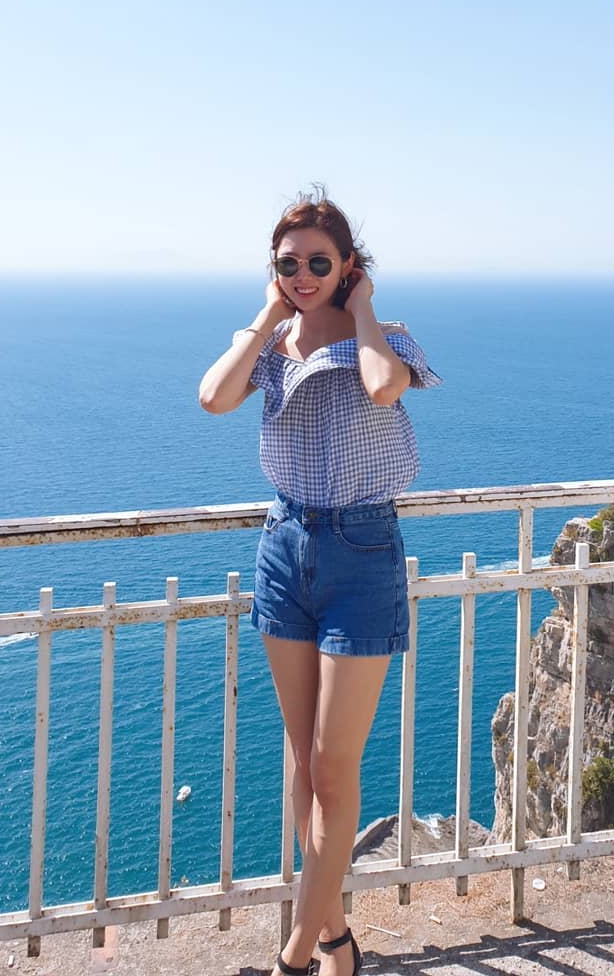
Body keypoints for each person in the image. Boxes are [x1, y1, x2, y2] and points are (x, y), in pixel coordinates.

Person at [198, 191, 440, 976]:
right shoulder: (272, 345)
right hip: (284, 546)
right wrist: (267, 316)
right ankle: (337, 938)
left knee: (334, 769)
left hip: (361, 550)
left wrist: (361, 308)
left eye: (318, 262)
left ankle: (296, 955)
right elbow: (213, 397)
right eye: (287, 263)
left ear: (348, 265)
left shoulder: (384, 338)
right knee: (304, 764)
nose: (302, 274)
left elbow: (383, 386)